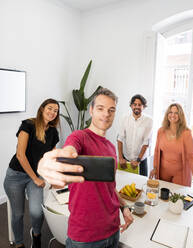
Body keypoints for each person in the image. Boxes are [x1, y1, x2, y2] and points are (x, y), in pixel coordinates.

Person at [37, 88, 134, 248]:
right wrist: (55, 162)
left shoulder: (110, 147)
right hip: (85, 237)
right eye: (100, 108)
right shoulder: (79, 137)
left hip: (113, 230)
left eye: (111, 110)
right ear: (91, 110)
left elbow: (110, 187)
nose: (106, 114)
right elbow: (70, 151)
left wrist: (124, 207)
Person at [3, 99, 60, 248]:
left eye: (56, 110)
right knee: (18, 214)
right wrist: (35, 178)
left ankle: (36, 235)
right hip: (16, 176)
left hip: (35, 177)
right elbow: (20, 155)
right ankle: (19, 243)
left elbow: (51, 158)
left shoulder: (53, 132)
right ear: (42, 109)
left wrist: (54, 177)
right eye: (50, 108)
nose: (53, 112)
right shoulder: (28, 125)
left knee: (37, 212)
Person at [149, 103, 193, 191]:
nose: (173, 115)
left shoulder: (186, 133)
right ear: (167, 114)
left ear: (180, 115)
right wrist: (155, 168)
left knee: (177, 198)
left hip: (180, 173)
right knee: (162, 197)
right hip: (163, 172)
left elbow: (191, 157)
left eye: (176, 113)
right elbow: (156, 151)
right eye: (170, 112)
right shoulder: (161, 131)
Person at [117, 94, 153, 176]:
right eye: (135, 104)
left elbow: (146, 142)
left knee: (141, 185)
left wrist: (138, 160)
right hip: (126, 159)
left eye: (139, 105)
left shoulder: (149, 120)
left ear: (143, 106)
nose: (137, 106)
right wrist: (120, 158)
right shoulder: (124, 118)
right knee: (124, 184)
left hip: (141, 160)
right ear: (131, 106)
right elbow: (120, 138)